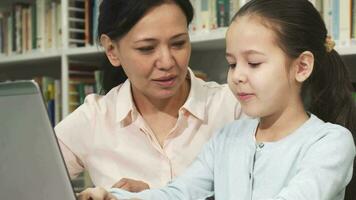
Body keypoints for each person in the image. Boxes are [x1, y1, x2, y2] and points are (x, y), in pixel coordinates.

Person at [77, 0, 356, 199]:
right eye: (232, 64)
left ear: (302, 67)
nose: (237, 77)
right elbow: (180, 192)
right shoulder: (226, 138)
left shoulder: (330, 143)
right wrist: (114, 197)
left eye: (254, 63)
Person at [54, 0, 242, 192]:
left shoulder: (234, 107)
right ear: (111, 50)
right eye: (146, 48)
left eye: (178, 44)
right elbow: (28, 184)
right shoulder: (94, 119)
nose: (167, 62)